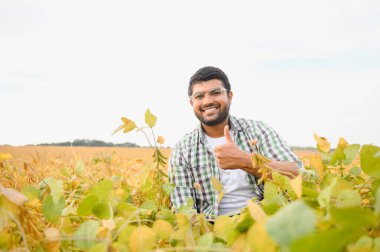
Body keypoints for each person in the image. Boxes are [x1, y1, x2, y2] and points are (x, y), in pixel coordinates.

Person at [168, 66, 304, 218]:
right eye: (200, 96)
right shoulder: (182, 150)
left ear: (230, 96)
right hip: (212, 229)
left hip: (264, 220)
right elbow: (184, 212)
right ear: (191, 103)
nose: (208, 101)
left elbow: (298, 175)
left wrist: (246, 161)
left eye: (215, 93)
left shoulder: (258, 131)